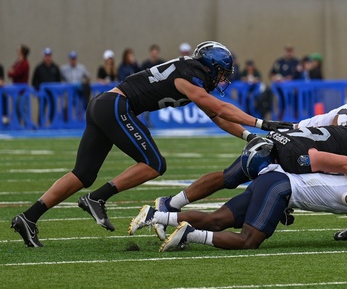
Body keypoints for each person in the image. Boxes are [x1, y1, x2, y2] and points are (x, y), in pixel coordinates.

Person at [9, 42, 290, 248]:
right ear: (211, 66)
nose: (222, 79)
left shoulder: (191, 72)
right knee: (155, 164)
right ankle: (97, 198)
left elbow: (216, 115)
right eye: (222, 72)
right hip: (117, 106)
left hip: (104, 104)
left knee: (82, 174)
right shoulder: (193, 73)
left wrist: (247, 136)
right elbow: (216, 105)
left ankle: (29, 217)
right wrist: (261, 124)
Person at [149, 145, 347, 251]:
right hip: (280, 188)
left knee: (218, 219)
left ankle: (157, 216)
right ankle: (190, 234)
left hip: (273, 177)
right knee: (248, 240)